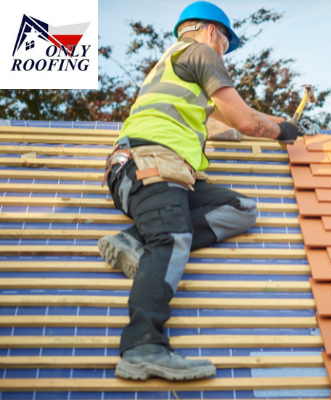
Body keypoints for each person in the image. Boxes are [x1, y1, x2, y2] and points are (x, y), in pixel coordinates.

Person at [97, 1, 303, 381]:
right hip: (151, 165)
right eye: (226, 42)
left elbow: (231, 119)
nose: (225, 51)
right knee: (173, 238)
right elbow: (244, 120)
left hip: (154, 172)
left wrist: (283, 124)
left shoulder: (175, 67)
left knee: (240, 208)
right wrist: (280, 133)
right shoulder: (201, 52)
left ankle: (136, 240)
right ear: (211, 31)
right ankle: (144, 345)